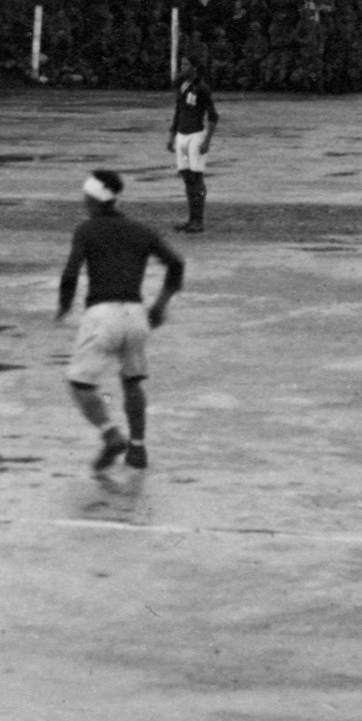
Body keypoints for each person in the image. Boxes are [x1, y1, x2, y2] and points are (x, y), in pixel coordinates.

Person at [53, 167, 185, 472]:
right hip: (136, 315)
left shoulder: (86, 230)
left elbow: (71, 272)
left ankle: (110, 434)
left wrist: (63, 306)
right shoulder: (141, 229)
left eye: (85, 198)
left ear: (94, 200)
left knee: (79, 384)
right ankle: (138, 449)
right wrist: (161, 305)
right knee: (133, 382)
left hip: (103, 315)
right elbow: (176, 263)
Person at [166, 72, 219, 233]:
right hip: (182, 140)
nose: (183, 68)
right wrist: (172, 136)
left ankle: (199, 219)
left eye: (187, 64)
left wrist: (207, 141)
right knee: (187, 175)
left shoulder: (201, 88)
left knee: (197, 177)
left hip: (195, 138)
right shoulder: (182, 87)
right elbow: (178, 113)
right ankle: (192, 218)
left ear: (195, 67)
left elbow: (213, 116)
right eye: (182, 64)